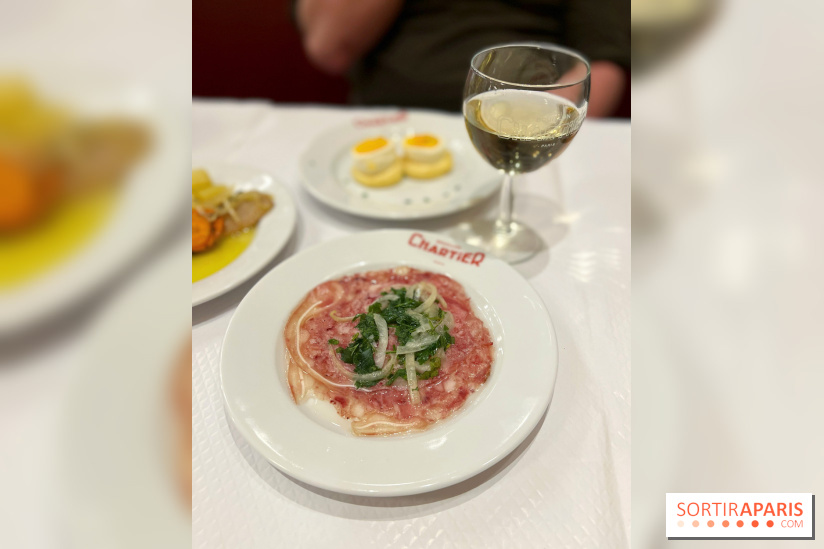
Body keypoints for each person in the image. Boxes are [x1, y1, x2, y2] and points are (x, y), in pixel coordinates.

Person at [295, 0, 628, 117]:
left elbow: (605, 62)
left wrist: (533, 129)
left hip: (518, 122)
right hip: (389, 125)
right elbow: (330, 45)